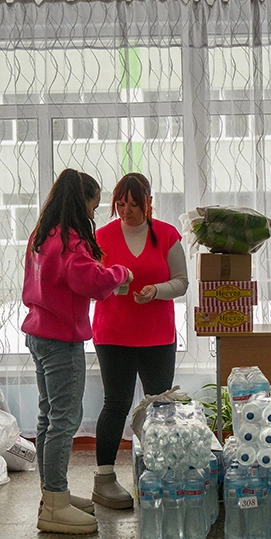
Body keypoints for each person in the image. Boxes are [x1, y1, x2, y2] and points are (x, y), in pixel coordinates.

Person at [22, 168, 132, 534]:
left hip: (38, 334)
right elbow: (91, 280)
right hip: (60, 342)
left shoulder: (42, 234)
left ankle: (52, 495)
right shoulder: (70, 241)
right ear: (80, 200)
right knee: (64, 421)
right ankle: (54, 503)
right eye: (93, 205)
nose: (93, 213)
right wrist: (121, 274)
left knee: (47, 417)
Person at [91, 172, 189, 508]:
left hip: (157, 337)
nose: (127, 210)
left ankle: (161, 473)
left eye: (134, 204)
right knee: (115, 405)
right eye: (120, 204)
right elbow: (89, 283)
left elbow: (182, 282)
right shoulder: (101, 236)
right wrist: (107, 285)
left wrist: (156, 291)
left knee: (159, 406)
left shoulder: (166, 234)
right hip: (113, 335)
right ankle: (104, 478)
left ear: (148, 202)